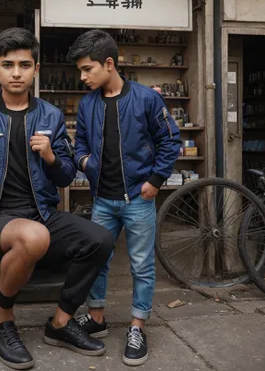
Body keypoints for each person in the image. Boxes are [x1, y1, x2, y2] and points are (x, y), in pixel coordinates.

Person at [0, 28, 114, 370]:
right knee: (32, 236)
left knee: (100, 238)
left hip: (41, 215)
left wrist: (52, 157)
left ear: (36, 69)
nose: (17, 72)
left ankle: (61, 322)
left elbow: (66, 176)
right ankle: (2, 321)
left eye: (25, 65)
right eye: (8, 65)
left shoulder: (50, 116)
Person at [68, 29, 181, 366]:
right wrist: (86, 162)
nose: (83, 77)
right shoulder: (87, 104)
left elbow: (169, 140)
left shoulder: (147, 98)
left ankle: (137, 325)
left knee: (142, 265)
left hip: (138, 199)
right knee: (96, 261)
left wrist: (156, 180)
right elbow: (80, 146)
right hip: (102, 198)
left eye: (88, 69)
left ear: (109, 64)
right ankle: (98, 318)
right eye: (80, 71)